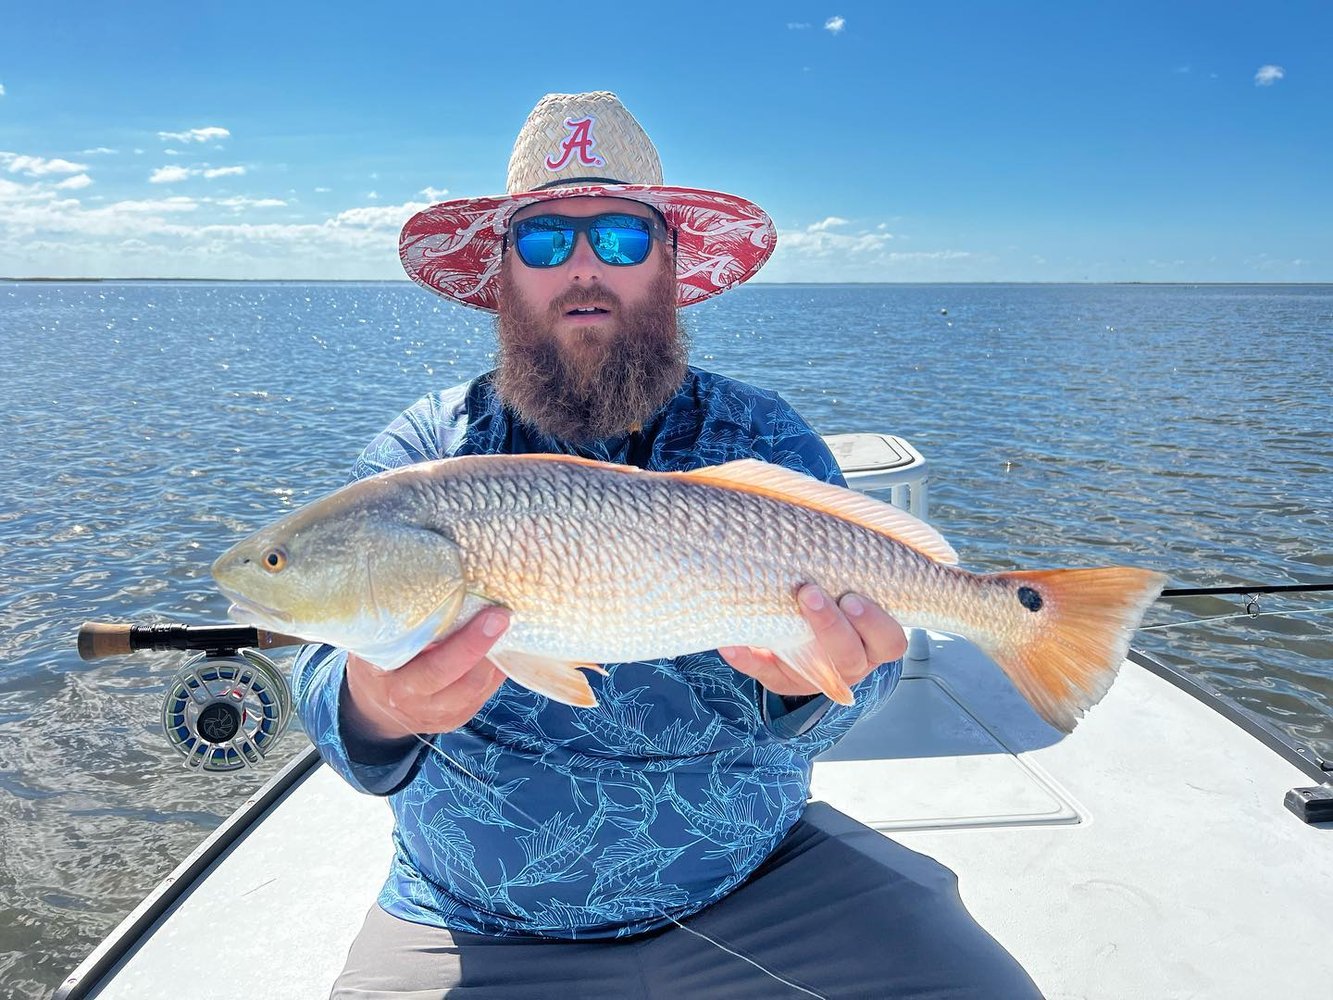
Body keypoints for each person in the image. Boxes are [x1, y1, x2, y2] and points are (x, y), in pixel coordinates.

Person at [294, 91, 1040, 998]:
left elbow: (866, 678)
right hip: (475, 917)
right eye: (541, 241)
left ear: (670, 265)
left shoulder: (764, 437)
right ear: (501, 275)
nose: (581, 269)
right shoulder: (427, 455)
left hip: (759, 885)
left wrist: (812, 692)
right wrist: (378, 702)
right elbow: (326, 691)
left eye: (618, 239)